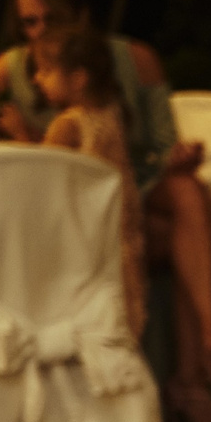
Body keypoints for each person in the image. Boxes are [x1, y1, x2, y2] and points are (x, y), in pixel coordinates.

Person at [0, 0, 211, 422]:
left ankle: (199, 368)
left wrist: (172, 160)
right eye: (30, 21)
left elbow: (156, 146)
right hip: (64, 219)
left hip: (134, 195)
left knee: (189, 189)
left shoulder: (135, 60)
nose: (41, 32)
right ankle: (198, 373)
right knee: (197, 219)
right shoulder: (9, 73)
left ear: (82, 16)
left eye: (54, 19)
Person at [33, 26, 146, 335]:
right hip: (122, 241)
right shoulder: (113, 112)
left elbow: (38, 181)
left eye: (45, 70)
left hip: (84, 246)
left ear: (79, 78)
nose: (36, 79)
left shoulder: (68, 125)